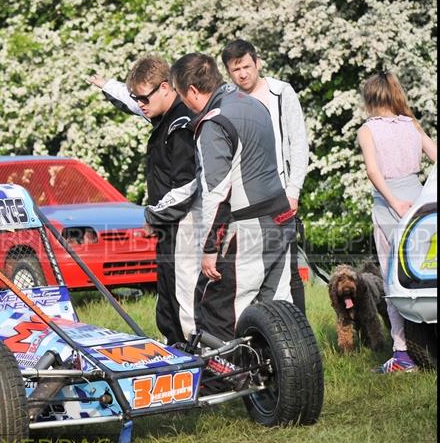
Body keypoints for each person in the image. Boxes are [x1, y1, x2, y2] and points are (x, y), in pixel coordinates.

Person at [170, 53, 296, 343]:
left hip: (247, 230)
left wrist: (209, 248)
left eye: (180, 94)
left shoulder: (213, 123)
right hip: (280, 218)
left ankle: (228, 383)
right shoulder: (255, 104)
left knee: (222, 315)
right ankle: (278, 384)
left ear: (191, 91)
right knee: (280, 313)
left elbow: (216, 193)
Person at [88, 55, 199, 345]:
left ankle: (200, 362)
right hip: (168, 227)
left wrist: (152, 216)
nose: (140, 105)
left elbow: (187, 186)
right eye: (137, 98)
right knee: (166, 302)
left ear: (165, 87)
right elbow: (132, 100)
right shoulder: (159, 112)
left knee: (185, 301)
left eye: (144, 99)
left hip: (185, 226)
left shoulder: (182, 124)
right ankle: (175, 353)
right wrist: (107, 86)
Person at [220, 39, 309, 314]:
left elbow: (299, 144)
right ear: (228, 72)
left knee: (288, 274)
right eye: (236, 69)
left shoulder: (281, 93)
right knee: (249, 278)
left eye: (247, 66)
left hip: (280, 197)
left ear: (257, 63)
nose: (243, 73)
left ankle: (297, 340)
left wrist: (293, 191)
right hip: (244, 205)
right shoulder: (227, 98)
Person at [357, 70, 437, 373]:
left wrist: (393, 202)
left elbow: (373, 173)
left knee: (394, 281)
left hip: (390, 206)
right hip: (421, 203)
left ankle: (402, 355)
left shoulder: (368, 130)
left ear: (370, 98)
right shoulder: (411, 125)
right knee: (427, 274)